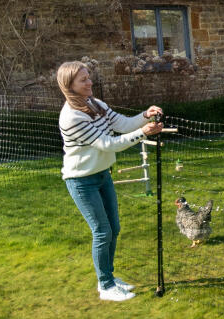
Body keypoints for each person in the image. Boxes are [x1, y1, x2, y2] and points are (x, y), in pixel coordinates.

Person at [56, 61, 164, 301]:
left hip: (103, 175)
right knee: (102, 231)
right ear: (69, 85)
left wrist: (145, 116)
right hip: (81, 181)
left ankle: (110, 278)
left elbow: (122, 124)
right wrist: (143, 133)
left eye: (88, 77)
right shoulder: (72, 117)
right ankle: (105, 286)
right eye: (83, 80)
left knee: (114, 228)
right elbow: (108, 144)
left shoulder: (95, 104)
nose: (89, 82)